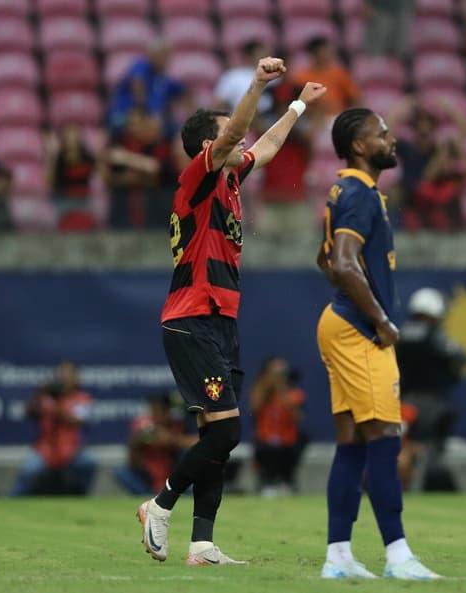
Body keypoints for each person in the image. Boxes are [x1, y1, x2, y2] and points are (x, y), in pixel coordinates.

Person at [135, 57, 327, 566]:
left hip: (220, 319)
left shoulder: (231, 179)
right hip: (192, 317)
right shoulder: (196, 178)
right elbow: (239, 135)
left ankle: (202, 544)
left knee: (216, 437)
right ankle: (159, 504)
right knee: (227, 430)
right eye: (228, 136)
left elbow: (262, 147)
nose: (240, 141)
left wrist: (298, 104)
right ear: (208, 146)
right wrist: (258, 84)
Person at [314, 107, 441, 580]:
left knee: (351, 444)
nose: (391, 140)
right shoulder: (360, 193)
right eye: (382, 134)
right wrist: (381, 320)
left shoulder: (345, 191)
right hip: (358, 329)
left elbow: (324, 258)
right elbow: (343, 264)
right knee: (385, 440)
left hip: (338, 323)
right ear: (361, 146)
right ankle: (398, 556)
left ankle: (339, 556)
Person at [395, 288, 466, 492]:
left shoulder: (399, 335)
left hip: (403, 400)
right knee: (430, 450)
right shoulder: (435, 336)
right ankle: (433, 484)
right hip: (431, 402)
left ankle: (397, 486)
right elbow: (461, 357)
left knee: (402, 445)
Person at [388, 98, 466, 232]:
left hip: (432, 195)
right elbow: (386, 135)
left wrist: (449, 109)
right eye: (420, 126)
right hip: (410, 195)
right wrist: (402, 108)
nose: (424, 130)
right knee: (393, 194)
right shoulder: (406, 148)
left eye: (428, 126)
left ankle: (455, 230)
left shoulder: (439, 149)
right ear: (415, 129)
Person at [11, 362, 97, 496]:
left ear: (76, 379)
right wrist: (39, 393)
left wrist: (57, 405)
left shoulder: (82, 398)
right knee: (29, 470)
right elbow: (29, 412)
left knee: (88, 462)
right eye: (61, 375)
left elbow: (79, 421)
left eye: (68, 375)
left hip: (71, 450)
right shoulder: (46, 397)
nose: (64, 378)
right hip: (46, 449)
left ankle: (80, 497)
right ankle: (12, 501)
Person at [255, 81, 326, 239]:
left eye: (287, 105)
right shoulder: (267, 131)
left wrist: (294, 119)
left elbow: (310, 134)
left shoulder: (302, 132)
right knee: (264, 251)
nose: (283, 109)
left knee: (301, 254)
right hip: (271, 202)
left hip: (297, 202)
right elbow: (255, 122)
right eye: (280, 105)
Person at [114, 393, 197, 495]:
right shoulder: (144, 422)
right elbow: (142, 434)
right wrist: (149, 436)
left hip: (170, 472)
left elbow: (196, 442)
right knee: (120, 472)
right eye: (153, 409)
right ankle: (147, 496)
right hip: (145, 474)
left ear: (167, 411)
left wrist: (172, 439)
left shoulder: (176, 425)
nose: (154, 413)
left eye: (158, 410)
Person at [250, 357, 307, 495]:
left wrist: (281, 389)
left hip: (287, 441)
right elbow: (254, 408)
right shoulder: (260, 392)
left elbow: (298, 417)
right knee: (266, 449)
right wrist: (267, 386)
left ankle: (284, 482)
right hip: (265, 440)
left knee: (287, 449)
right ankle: (267, 482)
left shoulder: (294, 393)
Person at [108, 40, 189, 134]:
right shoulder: (140, 67)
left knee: (178, 131)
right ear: (152, 55)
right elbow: (138, 86)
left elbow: (185, 93)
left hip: (153, 122)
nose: (166, 60)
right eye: (163, 55)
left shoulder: (163, 78)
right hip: (125, 115)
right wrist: (148, 113)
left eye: (167, 56)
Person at [46, 124, 98, 232]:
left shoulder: (87, 157)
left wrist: (100, 152)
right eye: (69, 135)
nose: (72, 138)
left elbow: (102, 176)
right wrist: (51, 157)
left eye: (75, 134)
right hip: (64, 202)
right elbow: (49, 181)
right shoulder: (59, 159)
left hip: (84, 202)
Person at [294, 37, 360, 117]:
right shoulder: (301, 78)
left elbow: (355, 97)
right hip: (312, 119)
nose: (328, 54)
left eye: (329, 51)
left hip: (337, 116)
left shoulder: (339, 73)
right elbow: (298, 102)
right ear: (315, 53)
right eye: (324, 51)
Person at [214, 39, 275, 114]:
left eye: (267, 54)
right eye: (261, 54)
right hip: (240, 120)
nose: (267, 57)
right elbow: (220, 104)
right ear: (250, 56)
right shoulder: (233, 76)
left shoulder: (276, 77)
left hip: (271, 121)